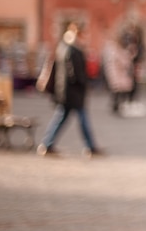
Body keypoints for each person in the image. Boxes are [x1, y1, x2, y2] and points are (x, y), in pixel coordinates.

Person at [37, 22, 103, 157]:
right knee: (82, 119)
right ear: (78, 34)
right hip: (73, 93)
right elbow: (74, 73)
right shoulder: (73, 50)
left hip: (65, 92)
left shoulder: (62, 47)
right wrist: (85, 83)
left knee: (61, 118)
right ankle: (90, 147)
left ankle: (47, 144)